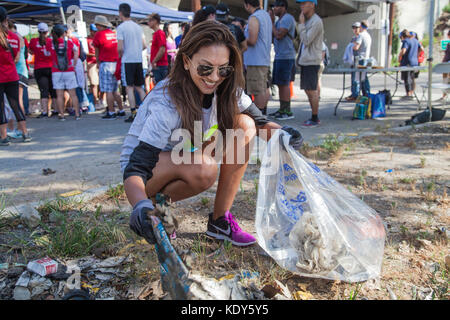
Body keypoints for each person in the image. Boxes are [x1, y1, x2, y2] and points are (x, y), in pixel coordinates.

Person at [121, 20, 303, 247]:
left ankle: (220, 221)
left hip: (185, 152)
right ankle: (154, 206)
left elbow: (261, 123)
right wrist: (139, 206)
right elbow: (136, 168)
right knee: (205, 168)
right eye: (205, 68)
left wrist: (286, 135)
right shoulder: (166, 102)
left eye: (223, 69)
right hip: (146, 173)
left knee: (245, 124)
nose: (215, 77)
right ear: (186, 62)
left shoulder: (227, 89)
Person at [0, 6, 31, 145]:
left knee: (1, 107)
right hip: (12, 75)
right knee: (16, 105)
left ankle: (4, 137)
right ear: (6, 20)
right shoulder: (14, 37)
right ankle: (25, 133)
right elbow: (16, 58)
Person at [117, 3, 148, 122]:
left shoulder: (121, 28)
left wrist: (122, 54)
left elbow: (120, 48)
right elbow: (144, 45)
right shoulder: (138, 27)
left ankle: (133, 112)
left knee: (129, 87)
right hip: (138, 59)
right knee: (140, 87)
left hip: (128, 60)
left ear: (120, 13)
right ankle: (147, 110)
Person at [296, 0, 324, 127]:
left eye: (304, 3)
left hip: (312, 61)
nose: (301, 6)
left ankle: (315, 117)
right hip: (306, 61)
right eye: (300, 4)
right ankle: (314, 116)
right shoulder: (309, 21)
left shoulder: (316, 21)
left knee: (311, 90)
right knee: (308, 89)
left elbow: (307, 40)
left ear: (312, 4)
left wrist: (301, 25)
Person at [268, 0, 297, 120]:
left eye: (276, 6)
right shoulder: (280, 20)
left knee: (284, 84)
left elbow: (279, 35)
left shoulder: (287, 18)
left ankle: (287, 111)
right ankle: (282, 109)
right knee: (280, 83)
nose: (274, 9)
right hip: (280, 56)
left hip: (286, 57)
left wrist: (271, 22)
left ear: (283, 7)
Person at [243, 0, 273, 115]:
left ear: (247, 5)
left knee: (257, 90)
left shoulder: (254, 18)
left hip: (255, 61)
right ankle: (263, 114)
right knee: (264, 87)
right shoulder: (266, 15)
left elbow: (252, 40)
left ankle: (259, 117)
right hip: (264, 59)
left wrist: (240, 44)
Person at [93, 15, 125, 120]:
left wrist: (97, 61)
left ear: (98, 25)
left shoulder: (99, 35)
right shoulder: (114, 34)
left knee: (108, 90)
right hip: (115, 64)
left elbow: (96, 50)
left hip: (106, 63)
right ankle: (121, 110)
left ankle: (111, 112)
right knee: (115, 89)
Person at [46, 24, 80, 121]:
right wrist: (74, 63)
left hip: (56, 71)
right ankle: (77, 114)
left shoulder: (50, 43)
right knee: (73, 94)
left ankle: (61, 115)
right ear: (63, 33)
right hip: (69, 70)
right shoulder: (69, 42)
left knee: (59, 95)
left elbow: (47, 54)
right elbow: (76, 51)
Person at [29, 22, 56, 118]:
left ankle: (45, 111)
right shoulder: (50, 41)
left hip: (39, 68)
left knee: (43, 91)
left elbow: (31, 52)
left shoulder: (33, 41)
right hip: (50, 67)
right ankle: (56, 110)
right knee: (53, 90)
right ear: (47, 32)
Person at [7, 20, 29, 138]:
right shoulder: (20, 38)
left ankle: (18, 129)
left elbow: (15, 58)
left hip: (17, 71)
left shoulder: (14, 37)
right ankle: (20, 129)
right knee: (16, 101)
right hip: (22, 72)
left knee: (16, 101)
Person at [148, 13, 169, 84]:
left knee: (161, 87)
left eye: (150, 20)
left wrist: (154, 61)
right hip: (159, 66)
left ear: (155, 21)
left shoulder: (159, 33)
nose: (148, 22)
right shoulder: (156, 34)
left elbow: (162, 49)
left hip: (160, 66)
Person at [398, 29, 420, 100]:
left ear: (403, 36)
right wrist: (416, 55)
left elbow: (403, 51)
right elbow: (421, 48)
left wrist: (399, 57)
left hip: (407, 62)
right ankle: (412, 92)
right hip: (415, 62)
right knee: (412, 78)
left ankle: (408, 94)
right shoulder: (415, 40)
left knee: (406, 78)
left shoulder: (406, 41)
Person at [87, 23, 101, 109]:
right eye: (94, 31)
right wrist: (94, 55)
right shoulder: (87, 40)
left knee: (101, 84)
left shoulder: (99, 38)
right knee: (94, 84)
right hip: (91, 63)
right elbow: (85, 52)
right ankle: (95, 102)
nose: (95, 33)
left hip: (100, 62)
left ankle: (101, 100)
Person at [439, 30, 450, 101]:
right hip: (446, 63)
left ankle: (444, 95)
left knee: (446, 80)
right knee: (445, 80)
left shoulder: (449, 44)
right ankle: (444, 95)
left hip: (447, 64)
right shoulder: (448, 44)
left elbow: (447, 55)